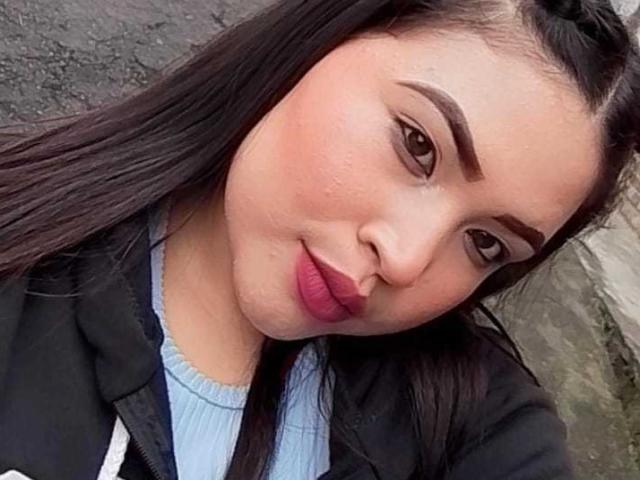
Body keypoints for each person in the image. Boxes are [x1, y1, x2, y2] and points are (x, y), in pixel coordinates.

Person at [0, 0, 638, 479]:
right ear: (320, 42)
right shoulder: (23, 237)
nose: (406, 260)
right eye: (418, 145)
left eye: (486, 244)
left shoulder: (475, 429)